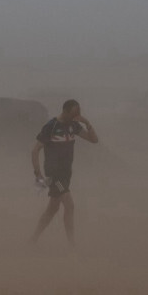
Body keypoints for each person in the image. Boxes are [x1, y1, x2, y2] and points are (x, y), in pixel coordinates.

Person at [30, 99, 99, 246]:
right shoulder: (51, 126)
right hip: (54, 174)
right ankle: (72, 244)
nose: (76, 116)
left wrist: (87, 123)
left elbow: (94, 140)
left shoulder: (74, 125)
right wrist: (38, 174)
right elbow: (35, 150)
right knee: (70, 205)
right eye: (74, 113)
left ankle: (33, 238)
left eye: (78, 113)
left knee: (52, 209)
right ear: (65, 111)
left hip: (66, 174)